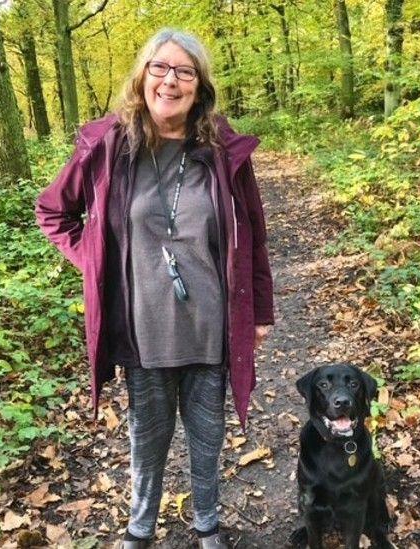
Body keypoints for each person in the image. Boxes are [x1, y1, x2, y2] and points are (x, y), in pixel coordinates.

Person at [35, 28, 274, 549]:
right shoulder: (107, 146)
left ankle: (207, 525)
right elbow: (53, 210)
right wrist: (91, 259)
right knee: (148, 439)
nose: (171, 80)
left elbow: (252, 235)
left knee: (208, 440)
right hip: (144, 330)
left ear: (200, 85)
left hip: (212, 326)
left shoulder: (223, 149)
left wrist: (259, 314)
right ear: (142, 76)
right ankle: (141, 528)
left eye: (185, 71)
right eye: (160, 68)